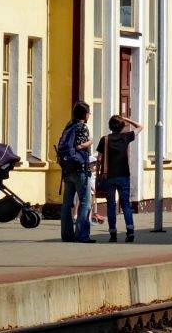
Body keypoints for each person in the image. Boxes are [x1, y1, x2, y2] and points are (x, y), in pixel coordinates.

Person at [96, 114, 142, 242]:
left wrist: (99, 170)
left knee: (111, 205)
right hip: (123, 175)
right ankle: (130, 231)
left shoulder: (104, 139)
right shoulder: (126, 137)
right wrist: (125, 119)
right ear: (122, 126)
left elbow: (99, 158)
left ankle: (113, 233)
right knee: (126, 204)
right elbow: (140, 127)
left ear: (110, 126)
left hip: (109, 176)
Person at [58, 101, 95, 244]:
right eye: (89, 113)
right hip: (81, 169)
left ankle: (67, 235)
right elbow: (80, 146)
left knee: (67, 204)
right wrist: (90, 142)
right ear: (85, 115)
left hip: (68, 170)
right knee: (85, 202)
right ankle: (82, 235)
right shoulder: (82, 127)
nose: (89, 116)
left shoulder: (68, 126)